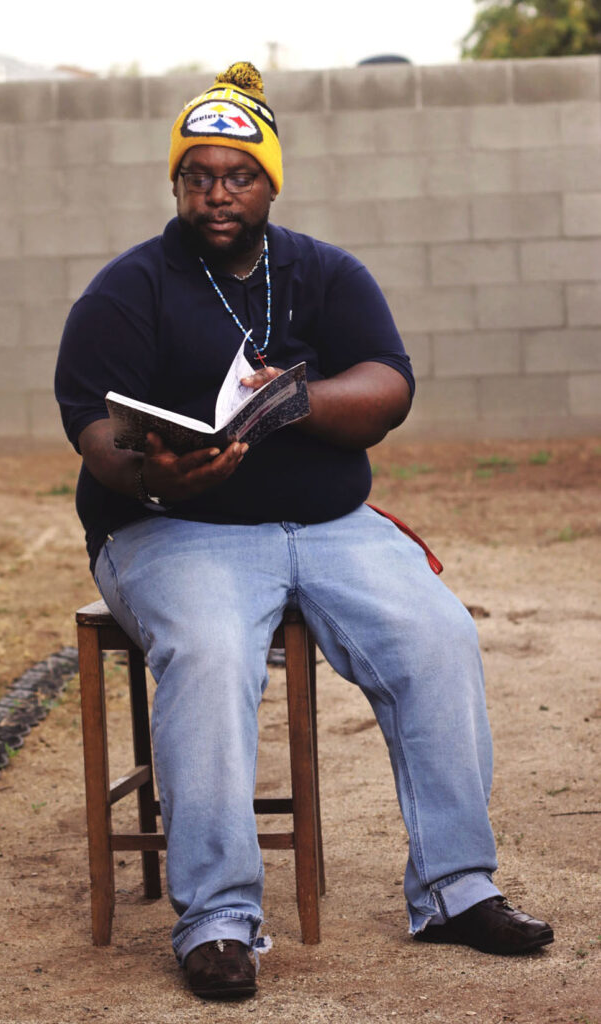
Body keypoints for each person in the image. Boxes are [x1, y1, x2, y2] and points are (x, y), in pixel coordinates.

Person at [55, 62, 553, 999]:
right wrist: (150, 468)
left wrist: (286, 404)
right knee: (205, 654)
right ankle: (218, 922)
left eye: (237, 174)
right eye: (196, 174)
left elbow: (388, 387)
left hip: (332, 522)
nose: (216, 193)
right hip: (174, 532)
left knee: (437, 634)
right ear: (174, 182)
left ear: (270, 180)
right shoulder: (127, 289)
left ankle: (456, 886)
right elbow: (92, 431)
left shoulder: (326, 272)